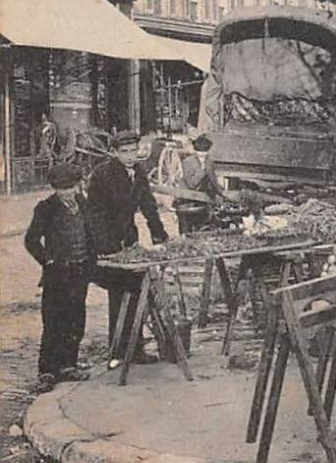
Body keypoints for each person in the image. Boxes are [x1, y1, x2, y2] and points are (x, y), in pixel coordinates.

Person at [87, 131, 168, 364]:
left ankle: (135, 348)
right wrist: (108, 247)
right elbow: (95, 215)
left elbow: (149, 206)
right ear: (114, 152)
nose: (131, 156)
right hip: (107, 242)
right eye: (124, 152)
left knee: (137, 291)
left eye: (133, 150)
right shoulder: (102, 175)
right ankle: (119, 351)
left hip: (129, 239)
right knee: (119, 294)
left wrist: (159, 235)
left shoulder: (139, 172)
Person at [24, 163, 94, 392]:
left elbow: (91, 233)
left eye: (69, 187)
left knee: (76, 318)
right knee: (53, 321)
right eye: (61, 189)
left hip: (80, 271)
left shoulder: (83, 203)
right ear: (54, 188)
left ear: (76, 186)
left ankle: (68, 365)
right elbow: (31, 241)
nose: (66, 192)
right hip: (57, 275)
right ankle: (47, 370)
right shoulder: (46, 208)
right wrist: (48, 261)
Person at [174, 134, 225, 234]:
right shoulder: (187, 162)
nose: (203, 158)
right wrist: (202, 169)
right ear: (195, 152)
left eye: (205, 154)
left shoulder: (209, 162)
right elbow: (192, 184)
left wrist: (221, 193)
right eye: (200, 155)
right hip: (187, 199)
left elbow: (213, 180)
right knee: (186, 228)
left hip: (201, 199)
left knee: (203, 224)